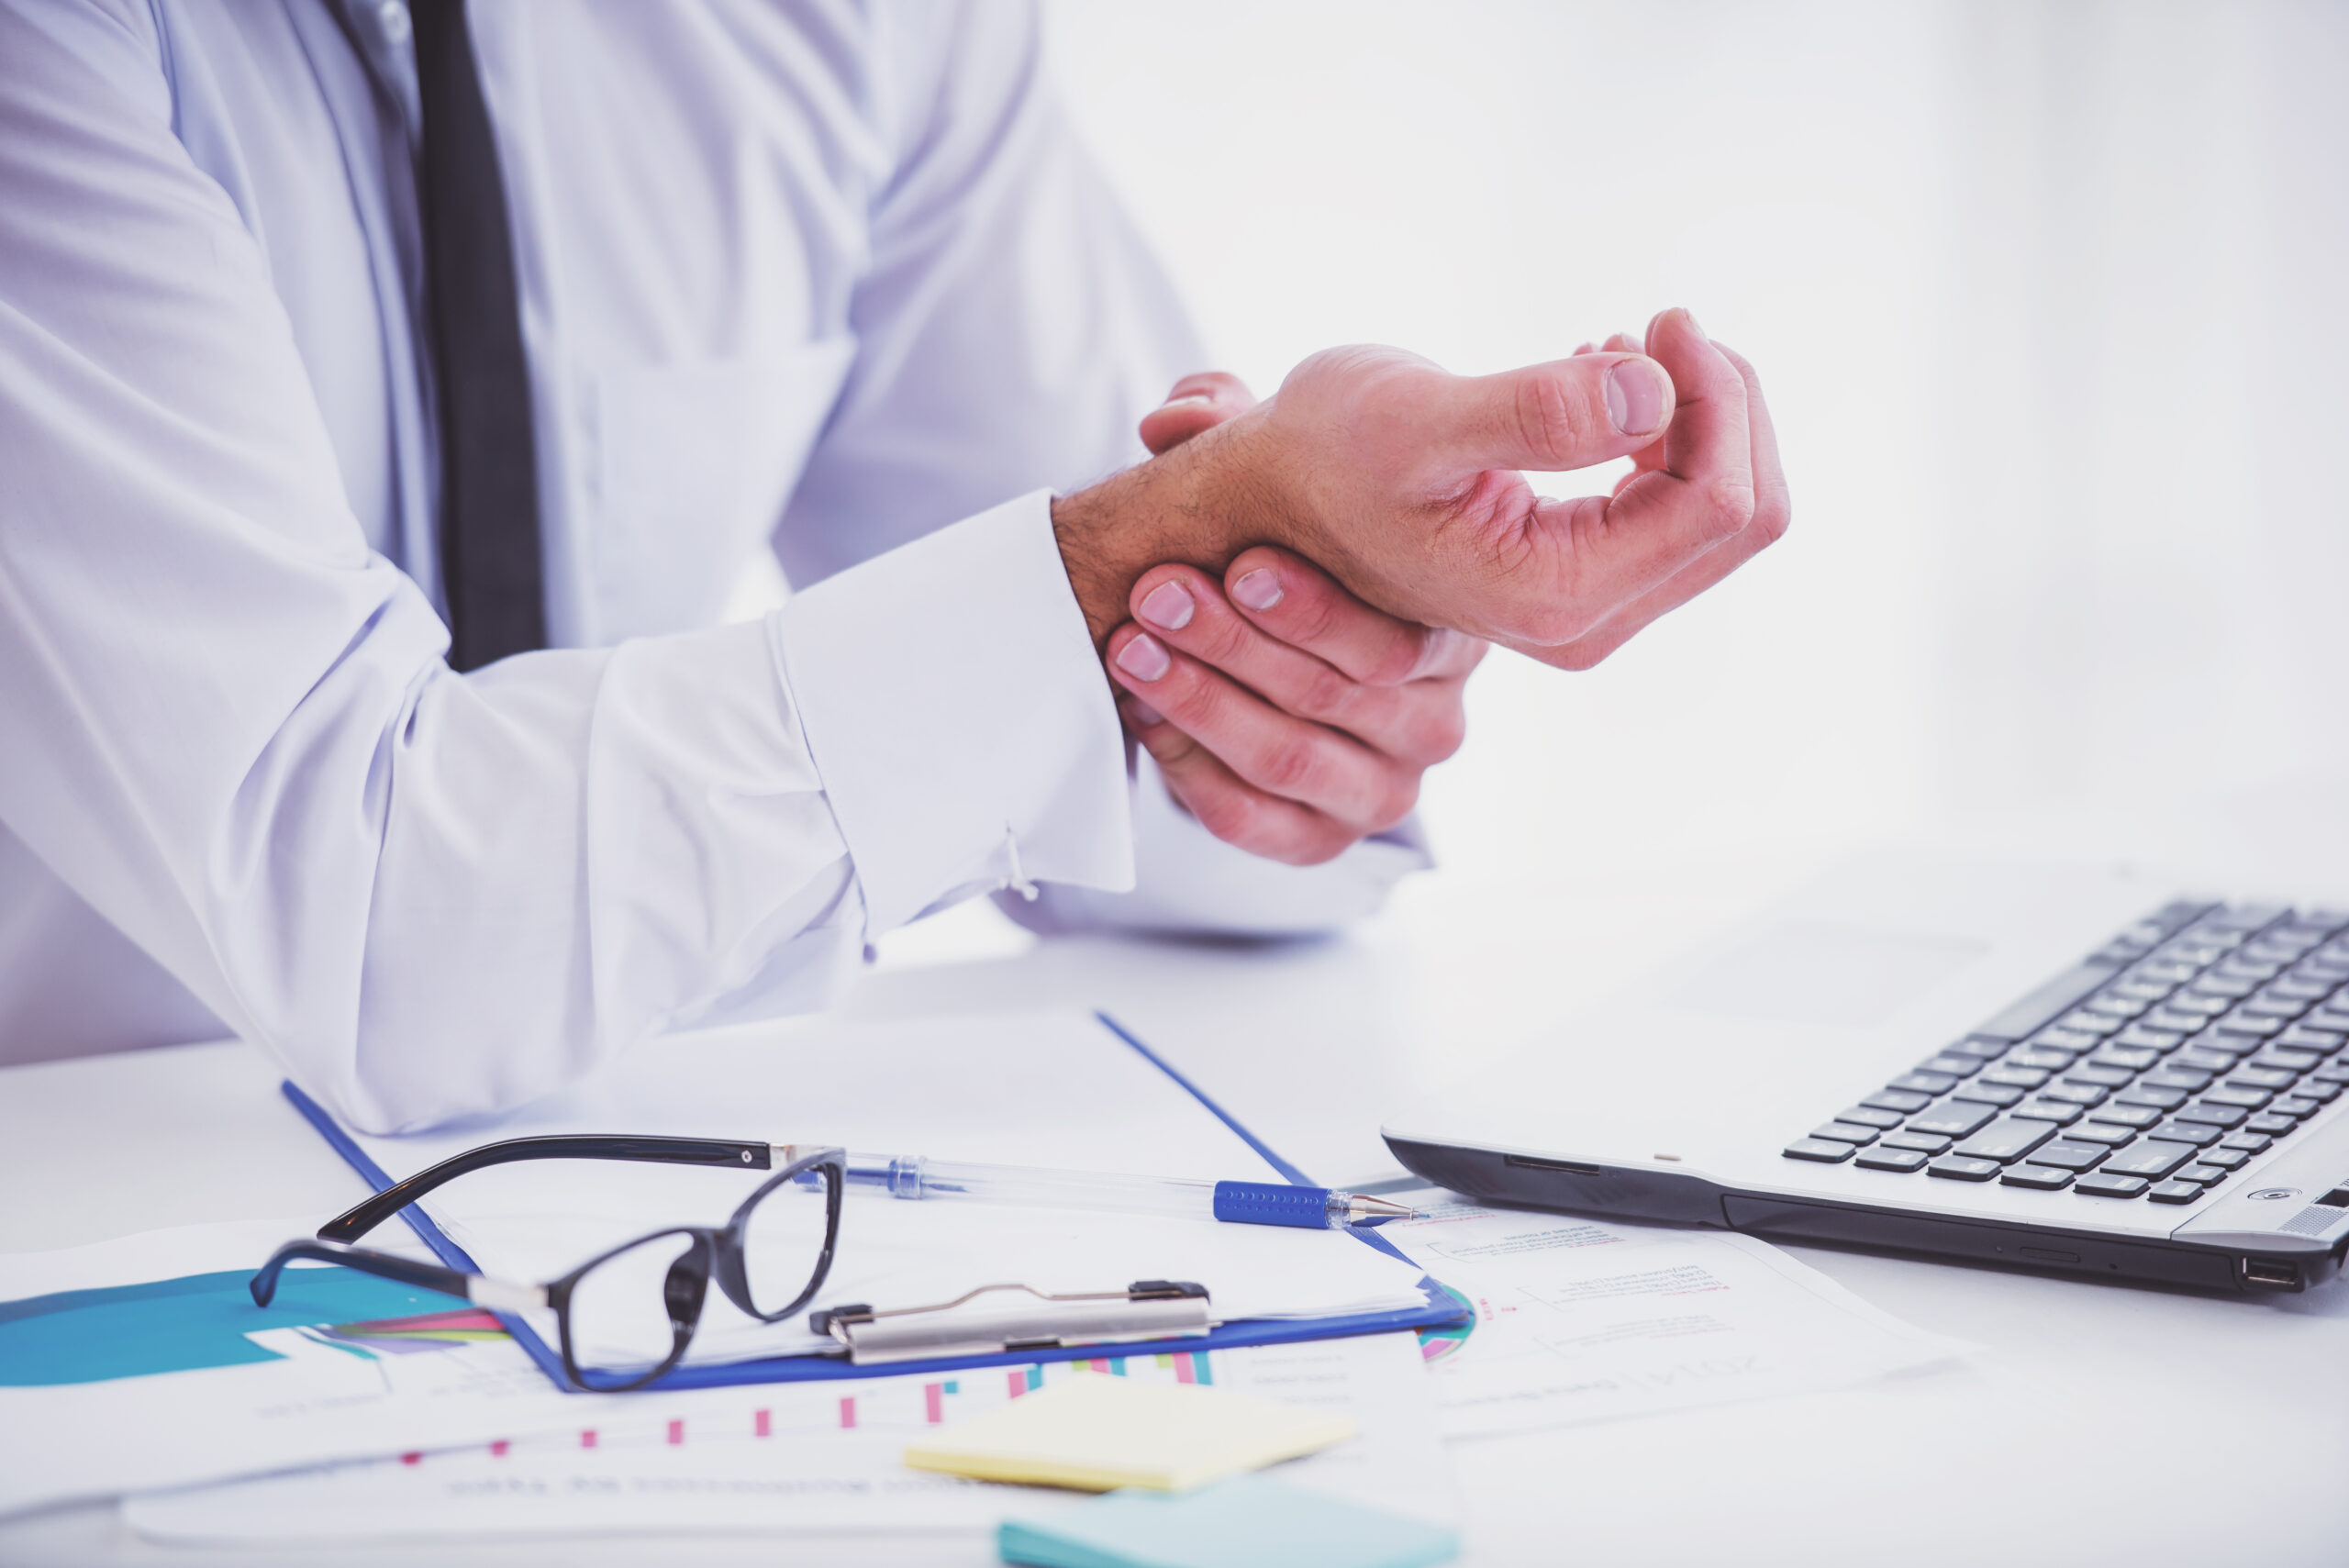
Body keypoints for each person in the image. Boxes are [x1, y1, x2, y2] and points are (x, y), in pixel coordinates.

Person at [0, 0, 1786, 1132]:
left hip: (636, 1234)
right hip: (92, 1251)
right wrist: (1114, 584)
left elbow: (1183, 745)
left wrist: (1296, 617)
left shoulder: (854, 25)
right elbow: (371, 915)